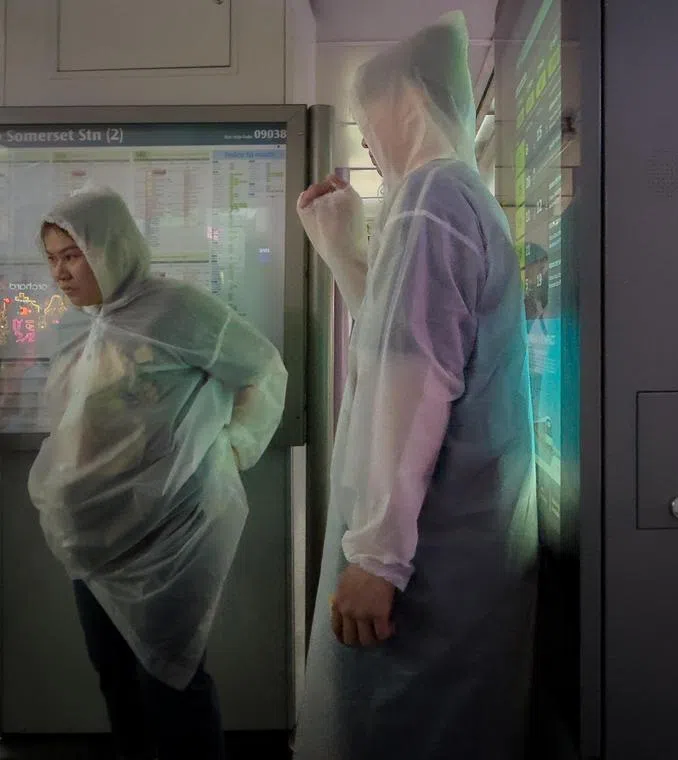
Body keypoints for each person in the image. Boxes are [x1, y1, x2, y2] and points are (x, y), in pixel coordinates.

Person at [293, 11, 537, 760]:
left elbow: (413, 380)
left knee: (405, 733)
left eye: (369, 115)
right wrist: (342, 250)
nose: (366, 139)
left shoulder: (433, 199)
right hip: (457, 552)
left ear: (403, 100)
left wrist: (376, 557)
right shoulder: (450, 197)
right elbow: (404, 342)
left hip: (432, 563)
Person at [27, 187, 287, 760]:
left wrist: (235, 447)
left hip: (165, 538)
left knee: (170, 678)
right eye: (51, 259)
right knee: (115, 678)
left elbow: (263, 370)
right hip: (93, 538)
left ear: (111, 247)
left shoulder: (175, 308)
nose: (61, 274)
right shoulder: (85, 325)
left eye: (72, 255)